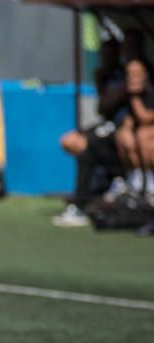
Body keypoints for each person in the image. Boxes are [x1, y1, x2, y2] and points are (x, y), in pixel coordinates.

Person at [52, 39, 127, 227]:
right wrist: (100, 82)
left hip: (123, 126)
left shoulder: (125, 74)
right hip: (107, 124)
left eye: (110, 54)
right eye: (104, 54)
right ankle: (94, 191)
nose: (106, 58)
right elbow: (103, 109)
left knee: (87, 147)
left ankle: (114, 181)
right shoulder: (105, 75)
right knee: (69, 141)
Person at [114, 58, 154, 200]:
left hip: (147, 135)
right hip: (134, 135)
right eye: (130, 74)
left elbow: (145, 118)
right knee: (125, 136)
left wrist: (134, 97)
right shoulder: (122, 93)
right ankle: (134, 181)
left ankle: (150, 184)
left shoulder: (147, 93)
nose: (133, 78)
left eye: (137, 74)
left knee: (144, 136)